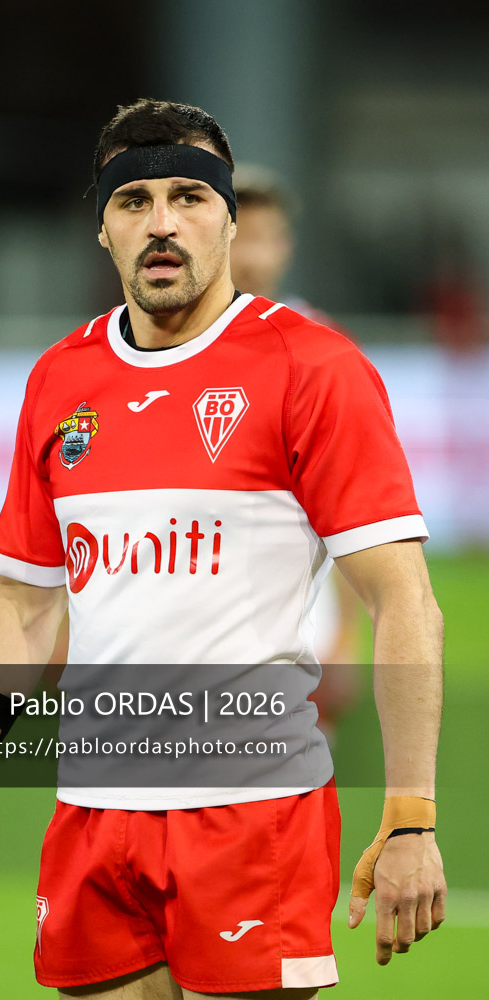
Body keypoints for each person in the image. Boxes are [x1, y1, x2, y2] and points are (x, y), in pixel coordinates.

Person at [0, 99, 446, 999]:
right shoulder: (60, 379)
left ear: (231, 219)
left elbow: (404, 600)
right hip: (93, 813)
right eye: (133, 201)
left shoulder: (311, 367)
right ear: (102, 230)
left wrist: (412, 818)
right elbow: (23, 609)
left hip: (253, 812)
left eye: (189, 197)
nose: (161, 223)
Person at [229, 163, 365, 743]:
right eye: (243, 239)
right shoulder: (156, 346)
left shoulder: (322, 348)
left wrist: (350, 631)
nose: (257, 258)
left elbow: (357, 504)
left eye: (270, 238)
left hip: (300, 625)